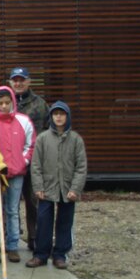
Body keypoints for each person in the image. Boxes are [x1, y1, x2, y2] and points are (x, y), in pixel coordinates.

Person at [29, 102, 87, 269]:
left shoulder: (76, 139)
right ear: (51, 117)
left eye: (62, 114)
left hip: (67, 188)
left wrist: (75, 189)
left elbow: (81, 167)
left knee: (65, 222)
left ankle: (60, 255)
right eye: (56, 114)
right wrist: (38, 187)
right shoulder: (42, 138)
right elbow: (36, 165)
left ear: (67, 117)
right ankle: (40, 255)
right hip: (47, 187)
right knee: (43, 221)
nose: (59, 117)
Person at [0, 86, 35, 263]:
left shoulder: (24, 121)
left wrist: (23, 161)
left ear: (13, 102)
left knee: (13, 210)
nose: (4, 106)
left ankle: (12, 246)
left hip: (17, 173)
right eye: (1, 103)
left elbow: (30, 145)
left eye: (7, 102)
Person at [9, 66, 50, 252]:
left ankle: (34, 238)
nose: (18, 83)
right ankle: (11, 237)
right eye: (15, 80)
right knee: (11, 203)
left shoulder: (40, 104)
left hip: (34, 161)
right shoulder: (5, 102)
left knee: (33, 201)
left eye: (22, 80)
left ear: (29, 81)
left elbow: (48, 130)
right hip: (12, 161)